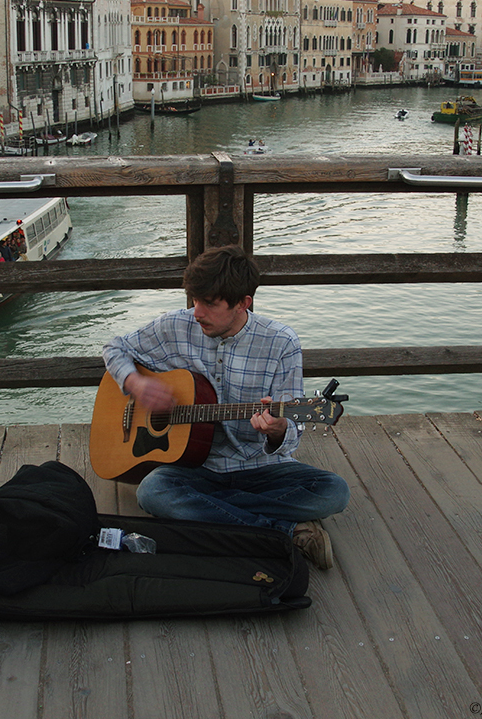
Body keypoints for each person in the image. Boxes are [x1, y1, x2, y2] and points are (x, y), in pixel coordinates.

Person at [101, 244, 350, 569]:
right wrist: (137, 384)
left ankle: (215, 516)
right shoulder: (176, 326)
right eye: (194, 300)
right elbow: (114, 348)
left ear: (243, 302)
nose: (197, 312)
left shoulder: (281, 343)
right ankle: (283, 531)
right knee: (151, 490)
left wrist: (278, 430)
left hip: (259, 467)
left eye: (209, 304)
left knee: (334, 492)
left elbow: (292, 433)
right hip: (194, 468)